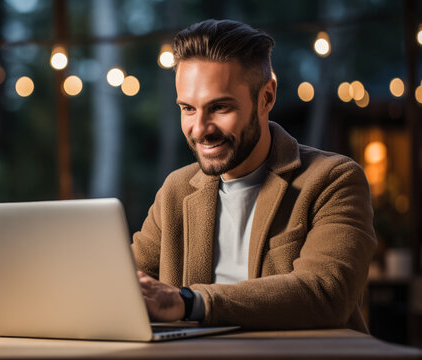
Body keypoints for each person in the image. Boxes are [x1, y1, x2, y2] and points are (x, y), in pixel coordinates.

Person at [131, 19, 377, 332]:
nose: (200, 129)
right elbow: (125, 283)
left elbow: (325, 294)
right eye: (188, 109)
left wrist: (191, 301)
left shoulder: (334, 180)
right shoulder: (176, 191)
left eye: (219, 107)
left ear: (266, 97)